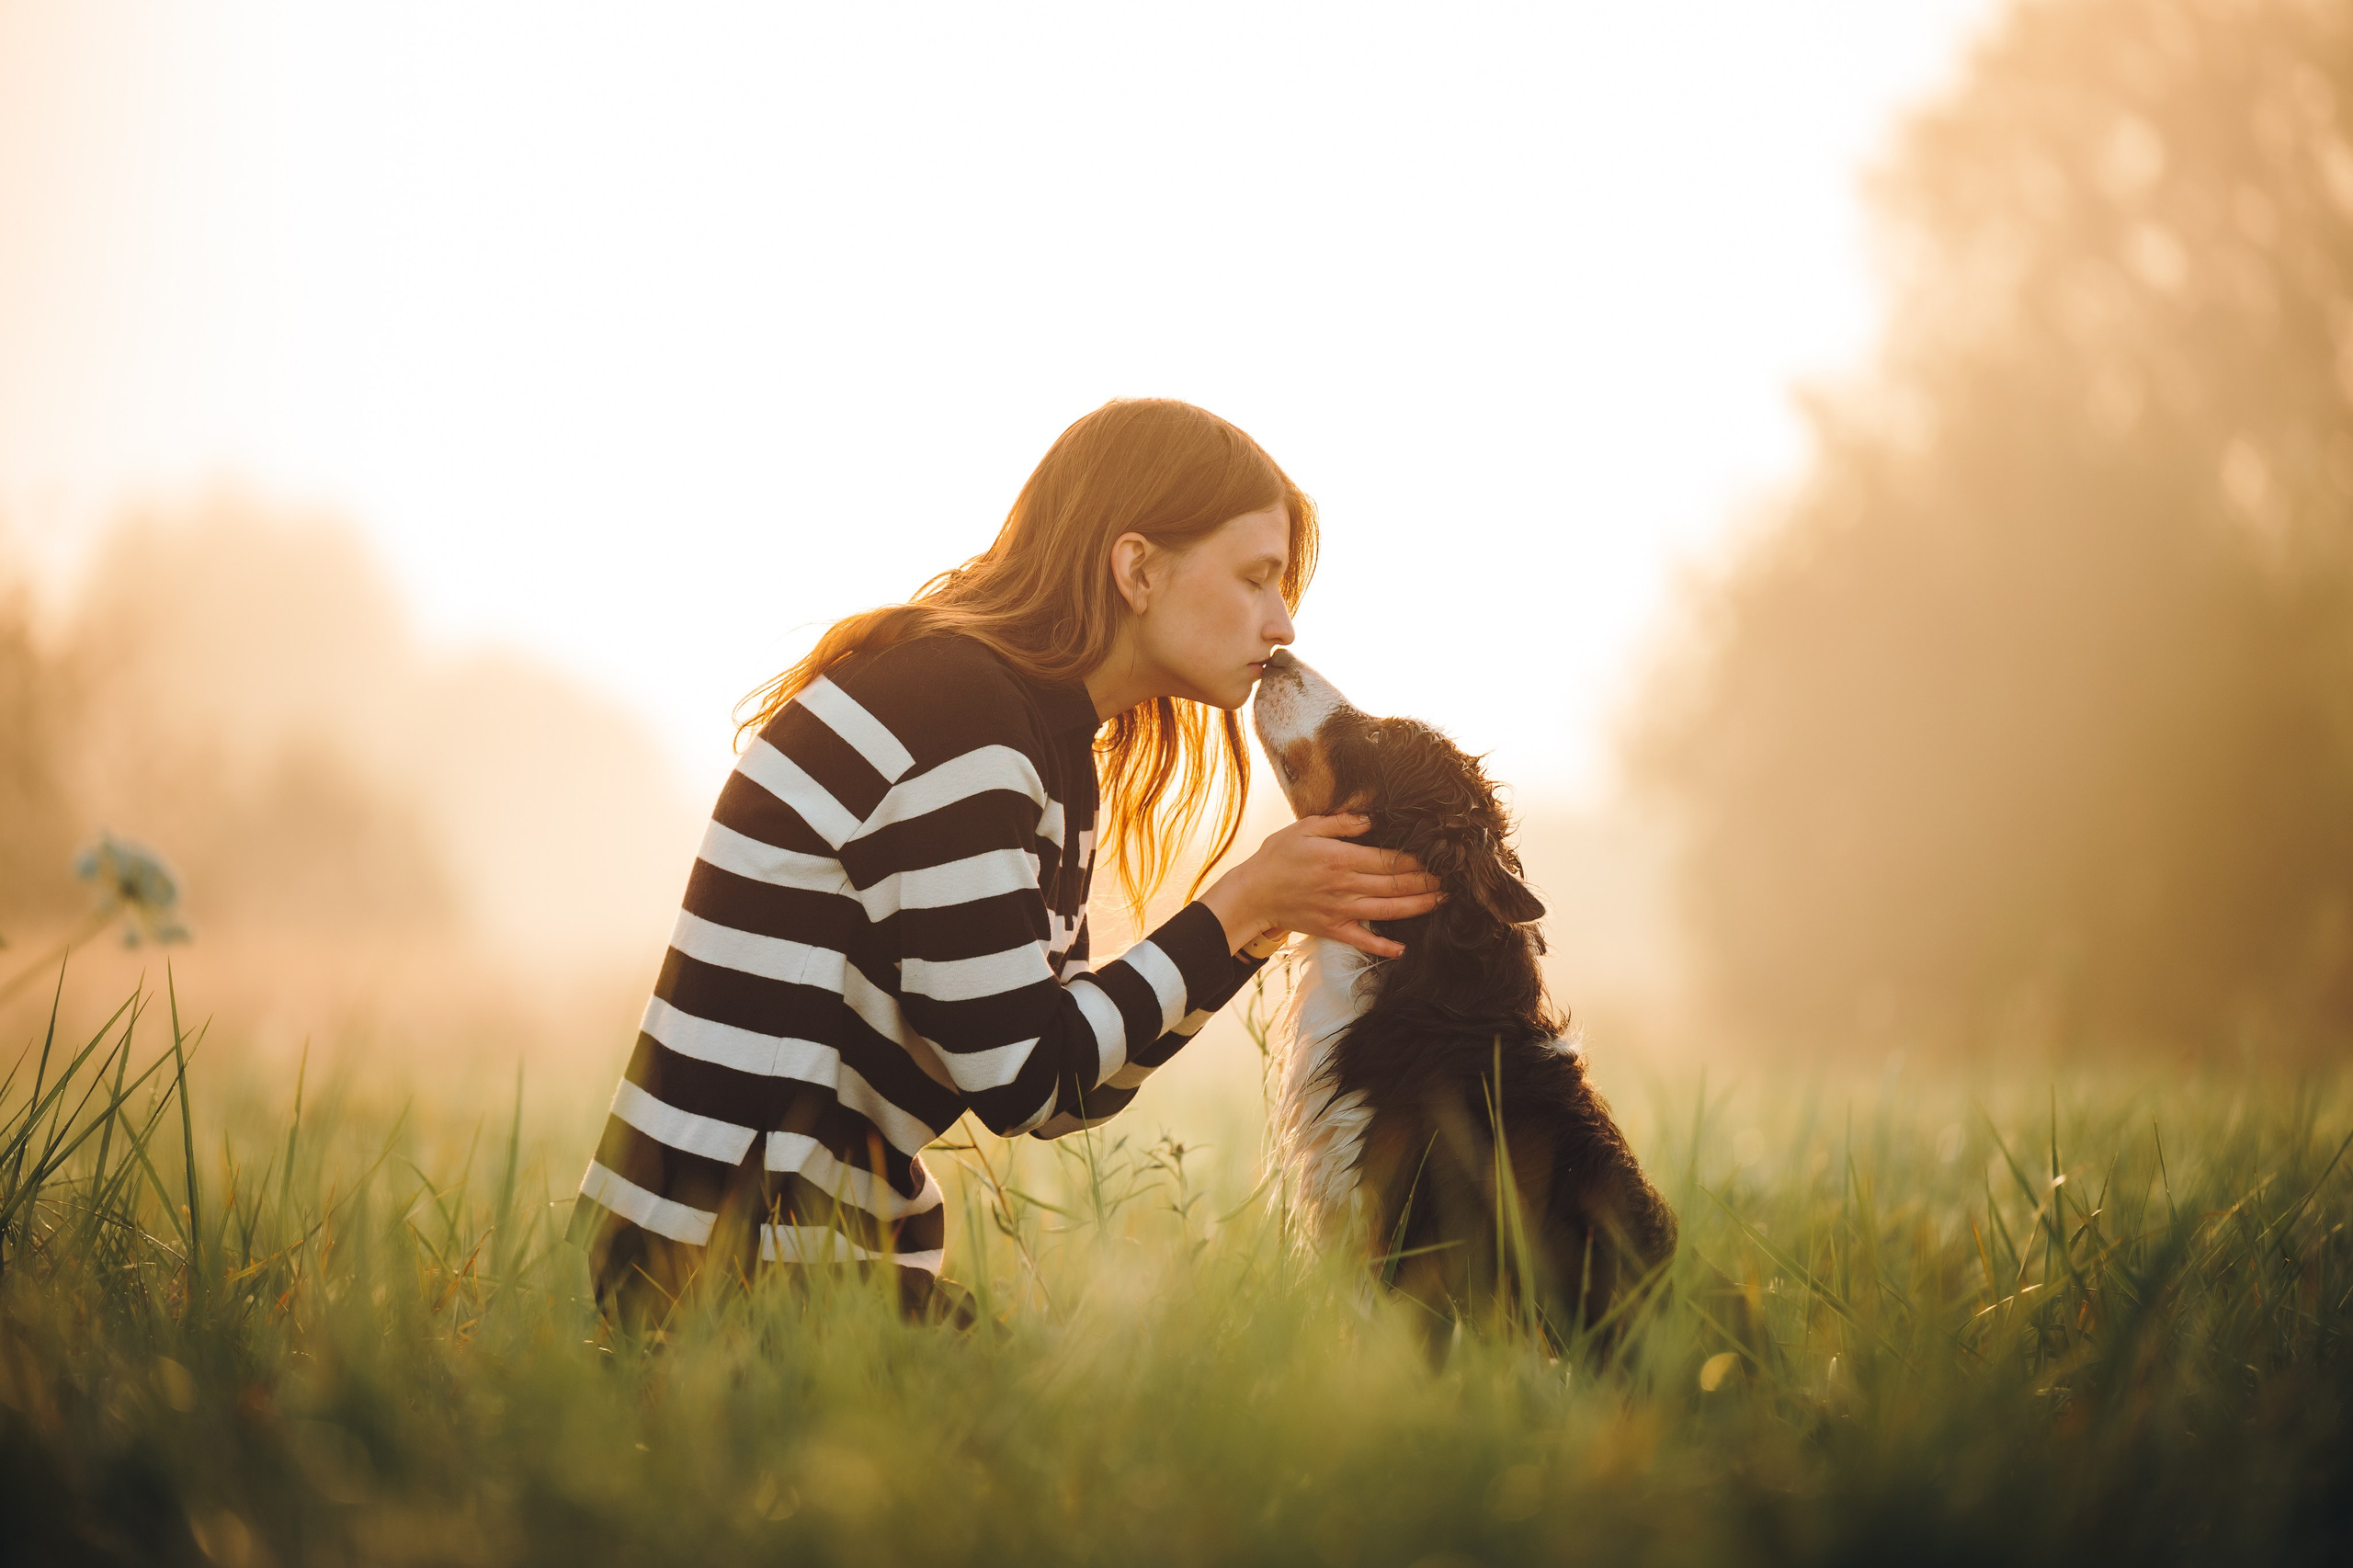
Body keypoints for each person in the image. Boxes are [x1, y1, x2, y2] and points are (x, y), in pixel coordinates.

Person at [569, 398, 1444, 1328]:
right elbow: (1026, 1073)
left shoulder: (1039, 745)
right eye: (1256, 578)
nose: (1283, 623)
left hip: (815, 1263)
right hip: (719, 1271)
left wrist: (1260, 917)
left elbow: (1066, 1092)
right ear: (1138, 569)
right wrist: (1243, 904)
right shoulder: (957, 717)